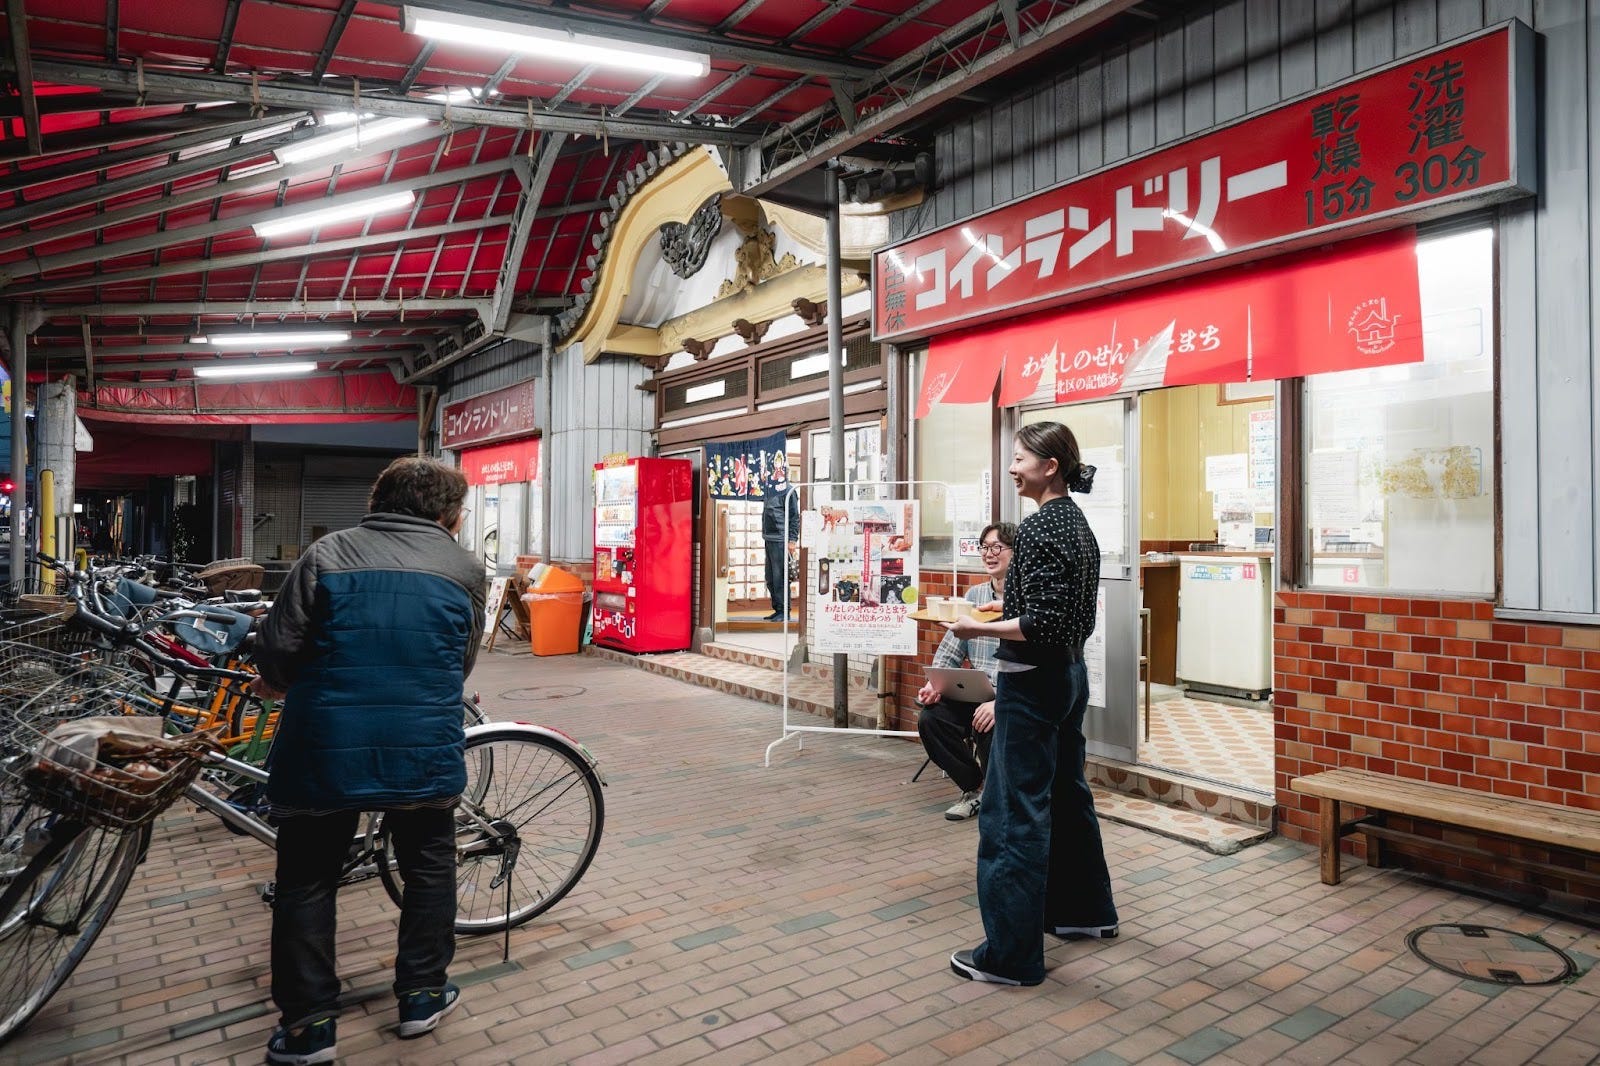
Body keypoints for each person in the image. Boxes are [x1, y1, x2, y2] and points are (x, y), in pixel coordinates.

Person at [252, 456, 485, 1064]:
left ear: (378, 503)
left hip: (323, 745)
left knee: (306, 879)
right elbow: (460, 661)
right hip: (422, 744)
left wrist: (280, 681)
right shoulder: (464, 568)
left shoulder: (326, 554)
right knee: (429, 867)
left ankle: (309, 1028)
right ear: (448, 515)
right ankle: (422, 996)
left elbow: (278, 650)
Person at [942, 421, 1118, 987]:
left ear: (1050, 466)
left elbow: (1040, 622)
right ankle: (1085, 913)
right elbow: (1061, 614)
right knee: (1067, 795)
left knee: (1012, 814)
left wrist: (975, 628)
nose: (1012, 468)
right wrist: (997, 615)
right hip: (1069, 676)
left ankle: (1011, 957)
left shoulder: (1041, 526)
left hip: (1032, 683)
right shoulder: (1077, 523)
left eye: (1020, 459)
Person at [915, 521, 1015, 821]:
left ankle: (997, 799)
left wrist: (999, 702)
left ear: (1016, 551)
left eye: (997, 547)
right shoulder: (974, 596)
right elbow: (949, 652)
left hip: (1011, 697)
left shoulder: (1024, 601)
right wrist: (934, 685)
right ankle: (976, 788)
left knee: (987, 722)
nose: (989, 554)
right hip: (975, 693)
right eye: (984, 547)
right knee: (932, 719)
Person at [761, 458, 800, 621]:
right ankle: (777, 609)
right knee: (770, 578)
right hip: (769, 537)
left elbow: (794, 517)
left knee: (780, 577)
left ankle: (785, 611)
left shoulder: (789, 490)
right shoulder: (769, 489)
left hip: (781, 539)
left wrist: (792, 540)